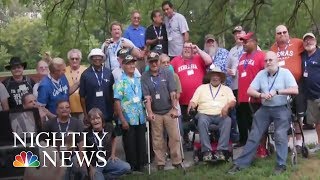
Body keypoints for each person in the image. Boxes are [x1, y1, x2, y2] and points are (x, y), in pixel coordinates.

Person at [228, 51, 298, 175]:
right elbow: (250, 90)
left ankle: (281, 164)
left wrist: (277, 92)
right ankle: (241, 163)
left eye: (271, 60)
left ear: (276, 61)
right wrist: (261, 94)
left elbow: (295, 90)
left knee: (280, 133)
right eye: (266, 60)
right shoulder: (261, 74)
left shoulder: (285, 73)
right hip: (265, 108)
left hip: (281, 107)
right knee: (254, 134)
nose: (268, 62)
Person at [141, 52, 182, 170]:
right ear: (148, 62)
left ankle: (176, 160)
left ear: (159, 61)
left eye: (156, 61)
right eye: (151, 61)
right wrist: (150, 112)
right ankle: (160, 162)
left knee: (174, 137)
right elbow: (147, 97)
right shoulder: (144, 76)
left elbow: (173, 92)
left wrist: (175, 109)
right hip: (155, 112)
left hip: (169, 109)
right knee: (157, 138)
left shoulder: (168, 72)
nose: (154, 63)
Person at [270, 24, 306, 152]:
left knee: (298, 115)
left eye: (284, 32)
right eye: (279, 33)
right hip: (280, 87)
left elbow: (311, 47)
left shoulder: (298, 43)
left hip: (296, 84)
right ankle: (289, 143)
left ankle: (299, 143)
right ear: (275, 35)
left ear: (288, 33)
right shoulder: (273, 49)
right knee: (285, 116)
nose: (282, 35)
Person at [188, 66, 235, 161]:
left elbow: (233, 102)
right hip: (204, 114)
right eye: (213, 75)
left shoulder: (227, 89)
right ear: (209, 77)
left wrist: (226, 106)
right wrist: (191, 106)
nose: (215, 77)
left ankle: (221, 150)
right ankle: (206, 151)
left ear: (221, 78)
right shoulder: (201, 88)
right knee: (201, 120)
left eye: (217, 75)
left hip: (221, 114)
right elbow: (193, 101)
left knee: (227, 120)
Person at [171, 42, 212, 148]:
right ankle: (186, 141)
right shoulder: (176, 60)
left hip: (200, 99)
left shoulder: (198, 58)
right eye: (185, 47)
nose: (187, 49)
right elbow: (169, 72)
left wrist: (197, 49)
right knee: (185, 123)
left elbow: (209, 61)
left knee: (202, 121)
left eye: (189, 47)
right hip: (183, 99)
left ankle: (206, 140)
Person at [113, 54, 146, 172]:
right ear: (123, 66)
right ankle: (131, 167)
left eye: (133, 63)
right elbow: (117, 101)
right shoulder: (120, 82)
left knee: (141, 141)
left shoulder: (139, 79)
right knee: (130, 143)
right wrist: (122, 120)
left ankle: (141, 165)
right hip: (127, 118)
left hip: (140, 116)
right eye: (129, 63)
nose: (132, 65)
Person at [236, 32, 265, 156]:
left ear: (254, 42)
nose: (244, 43)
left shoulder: (261, 56)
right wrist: (238, 96)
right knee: (248, 124)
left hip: (255, 97)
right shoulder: (242, 58)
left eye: (246, 41)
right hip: (243, 97)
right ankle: (252, 148)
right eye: (243, 41)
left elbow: (265, 76)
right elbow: (240, 78)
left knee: (258, 124)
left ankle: (262, 148)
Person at [42, 100, 86, 180]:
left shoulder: (77, 122)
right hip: (56, 156)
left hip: (73, 154)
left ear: (70, 110)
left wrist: (81, 158)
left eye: (67, 107)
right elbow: (43, 143)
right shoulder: (49, 124)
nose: (64, 109)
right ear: (56, 111)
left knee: (80, 167)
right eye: (61, 108)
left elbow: (82, 142)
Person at [85, 108, 131, 180]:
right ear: (90, 121)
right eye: (93, 119)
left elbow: (114, 138)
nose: (96, 121)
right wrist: (90, 168)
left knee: (127, 167)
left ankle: (106, 176)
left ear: (102, 119)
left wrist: (113, 154)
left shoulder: (109, 127)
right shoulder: (86, 133)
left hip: (107, 160)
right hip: (95, 164)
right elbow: (83, 153)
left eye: (98, 118)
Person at [80, 48, 114, 124]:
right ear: (91, 59)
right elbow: (82, 97)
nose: (97, 59)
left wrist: (114, 110)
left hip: (108, 113)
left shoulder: (108, 73)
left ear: (102, 58)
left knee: (109, 134)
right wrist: (85, 114)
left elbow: (112, 93)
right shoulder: (85, 75)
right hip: (92, 115)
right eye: (94, 57)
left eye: (99, 57)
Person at [301, 33, 320, 153]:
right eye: (306, 40)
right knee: (317, 122)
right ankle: (319, 144)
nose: (308, 42)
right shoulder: (303, 56)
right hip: (311, 96)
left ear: (316, 41)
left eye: (311, 39)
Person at [65, 49, 86, 121]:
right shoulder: (63, 71)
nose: (74, 60)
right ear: (69, 60)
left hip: (83, 107)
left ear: (80, 59)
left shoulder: (85, 70)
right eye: (72, 58)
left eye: (76, 59)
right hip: (67, 107)